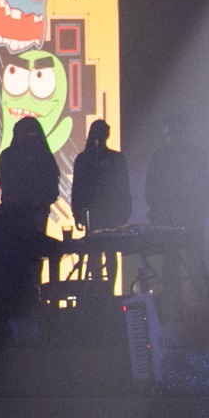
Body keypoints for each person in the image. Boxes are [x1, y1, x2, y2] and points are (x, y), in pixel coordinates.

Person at [0, 115, 61, 323]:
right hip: (14, 217)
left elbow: (53, 184)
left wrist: (40, 203)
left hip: (37, 214)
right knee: (16, 259)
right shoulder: (9, 155)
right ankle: (18, 300)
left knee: (36, 257)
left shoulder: (43, 155)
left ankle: (35, 297)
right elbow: (5, 183)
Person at [69, 119, 131, 291]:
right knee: (96, 252)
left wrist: (124, 211)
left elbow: (123, 187)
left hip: (110, 214)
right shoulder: (85, 159)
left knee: (108, 251)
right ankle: (98, 289)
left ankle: (108, 289)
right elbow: (77, 188)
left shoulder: (114, 158)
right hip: (93, 214)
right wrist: (77, 213)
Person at [145, 117, 209, 230]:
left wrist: (200, 213)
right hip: (164, 219)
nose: (172, 138)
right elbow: (151, 189)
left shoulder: (195, 156)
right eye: (170, 134)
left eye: (176, 133)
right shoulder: (159, 157)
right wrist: (159, 212)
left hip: (191, 218)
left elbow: (205, 187)